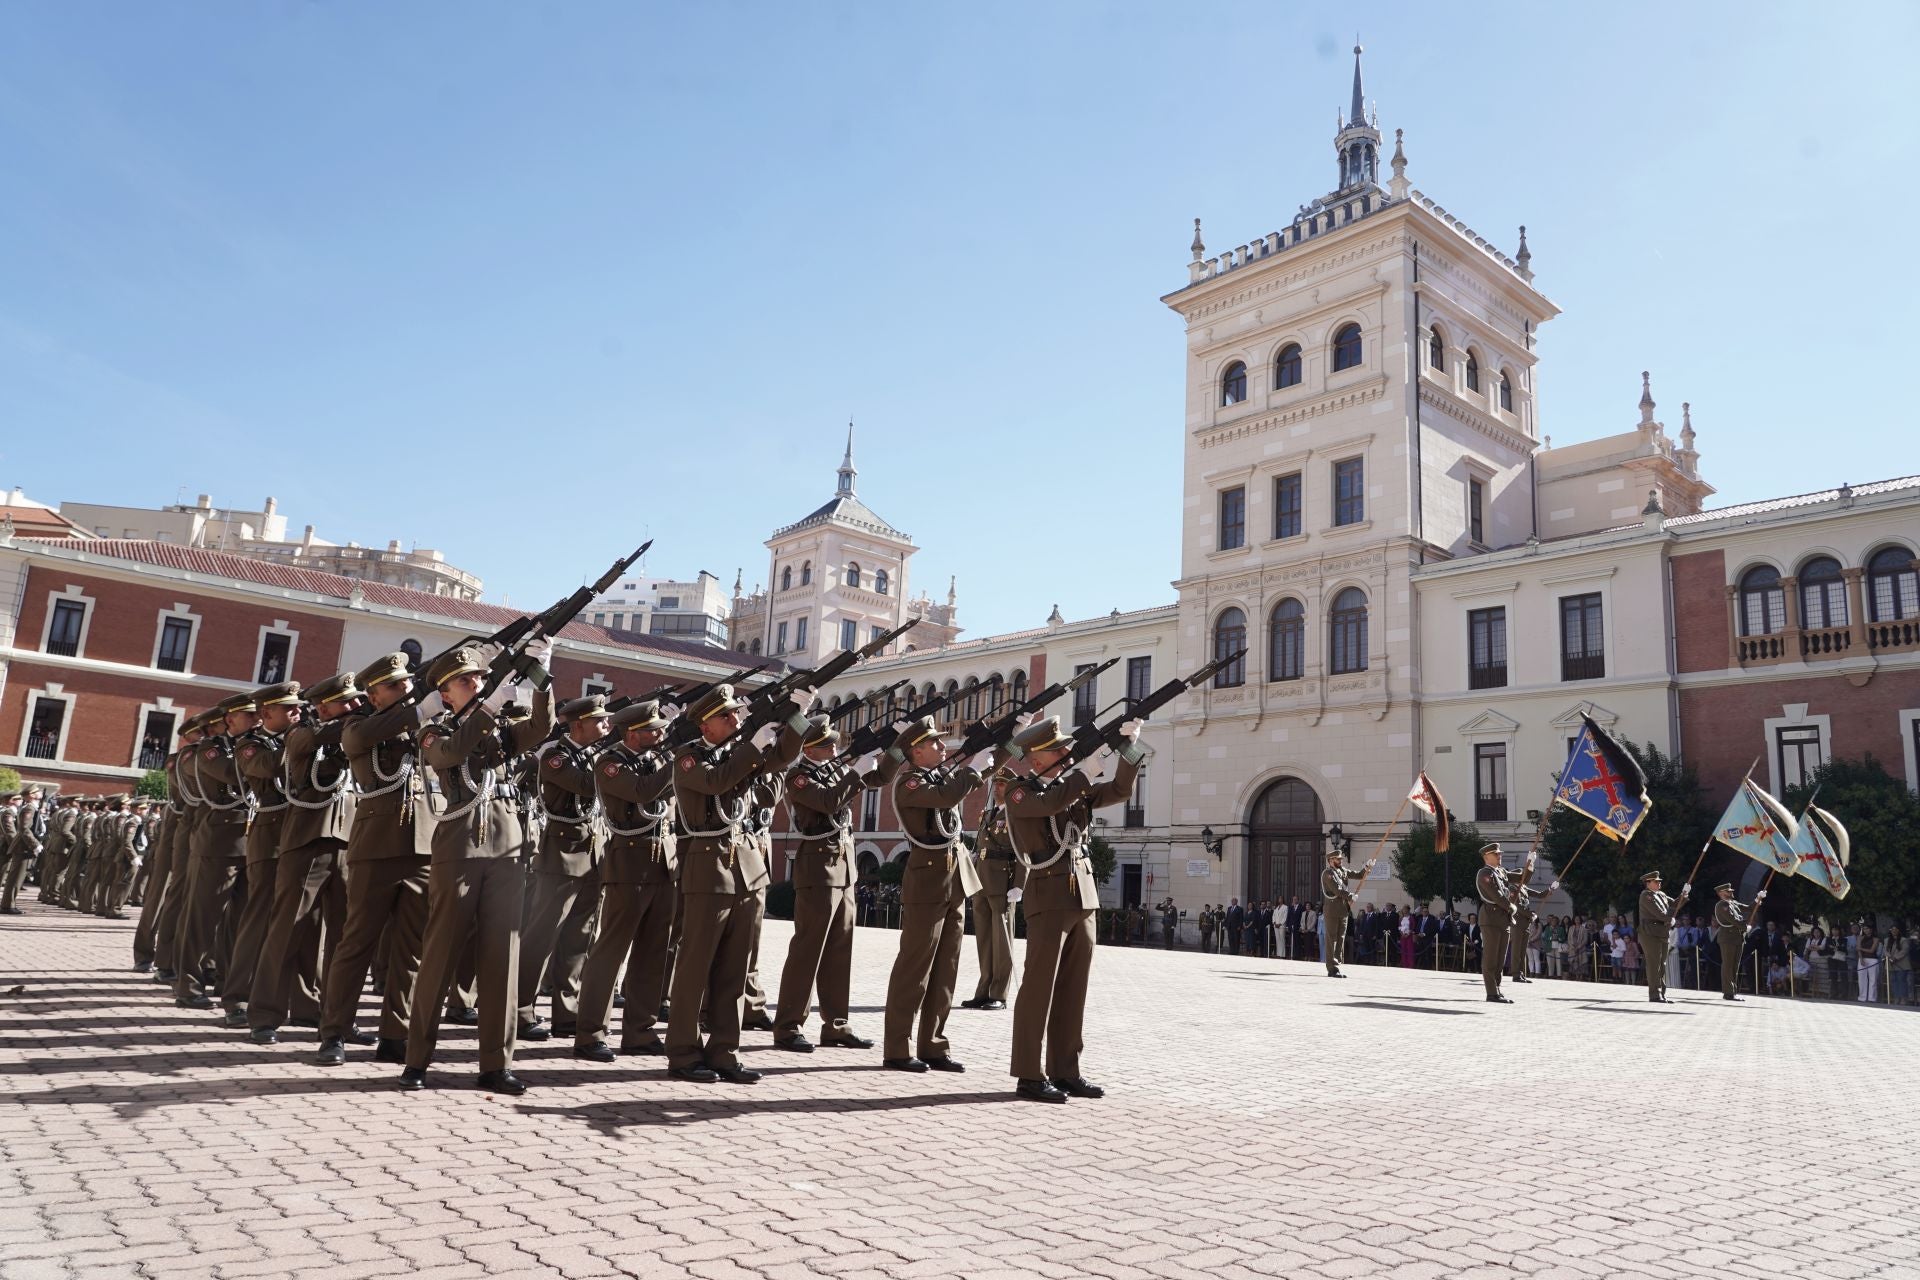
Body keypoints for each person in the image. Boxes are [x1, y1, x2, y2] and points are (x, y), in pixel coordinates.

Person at [401, 641, 554, 1094]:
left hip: (507, 848)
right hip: (461, 845)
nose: (476, 683)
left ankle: (495, 1064)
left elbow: (542, 727)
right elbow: (449, 756)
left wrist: (542, 678)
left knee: (502, 958)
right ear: (445, 693)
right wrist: (488, 707)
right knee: (441, 953)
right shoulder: (434, 730)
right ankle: (416, 1060)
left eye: (479, 678)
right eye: (465, 681)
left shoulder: (500, 726)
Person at [667, 682, 812, 1084]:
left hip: (746, 867)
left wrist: (796, 718)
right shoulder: (689, 758)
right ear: (705, 725)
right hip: (708, 866)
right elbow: (716, 783)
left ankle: (724, 1051)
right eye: (726, 716)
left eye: (735, 714)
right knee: (695, 967)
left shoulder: (738, 754)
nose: (735, 719)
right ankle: (683, 1053)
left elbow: (781, 759)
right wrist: (753, 745)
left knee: (735, 968)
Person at [1002, 713, 1143, 1103]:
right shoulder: (1019, 791)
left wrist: (1129, 749)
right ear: (1036, 759)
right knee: (1039, 988)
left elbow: (1119, 790)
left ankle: (1066, 1070)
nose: (1067, 752)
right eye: (1058, 750)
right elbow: (1049, 803)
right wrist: (1084, 772)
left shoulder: (1072, 786)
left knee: (1073, 989)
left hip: (1083, 893)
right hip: (1049, 895)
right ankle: (1029, 1073)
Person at [315, 653, 437, 1067]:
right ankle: (334, 1031)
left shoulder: (426, 722)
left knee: (411, 950)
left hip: (422, 846)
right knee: (357, 943)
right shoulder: (356, 726)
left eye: (406, 683)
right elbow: (362, 739)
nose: (405, 689)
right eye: (394, 686)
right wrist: (419, 711)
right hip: (375, 847)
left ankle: (395, 1035)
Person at [249, 672, 359, 1045]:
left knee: (343, 938)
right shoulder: (301, 734)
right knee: (287, 929)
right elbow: (326, 737)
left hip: (348, 840)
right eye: (347, 702)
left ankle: (336, 1018)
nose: (356, 706)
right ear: (324, 708)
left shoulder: (352, 732)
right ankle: (265, 1014)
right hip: (308, 840)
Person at [881, 715, 992, 1073]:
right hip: (928, 881)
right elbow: (950, 794)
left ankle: (933, 1045)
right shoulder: (910, 783)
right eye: (934, 743)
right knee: (915, 968)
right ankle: (897, 1048)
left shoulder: (939, 777)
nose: (943, 746)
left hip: (955, 879)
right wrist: (973, 766)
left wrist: (1007, 741)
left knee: (946, 969)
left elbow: (981, 773)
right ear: (916, 751)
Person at [575, 700, 679, 1060]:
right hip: (630, 863)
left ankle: (640, 1031)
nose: (661, 735)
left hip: (663, 863)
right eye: (653, 730)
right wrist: (676, 761)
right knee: (611, 952)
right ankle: (590, 1033)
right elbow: (642, 792)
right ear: (633, 733)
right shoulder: (610, 763)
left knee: (653, 953)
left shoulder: (657, 760)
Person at [772, 715, 880, 1051]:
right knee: (808, 950)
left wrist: (890, 750)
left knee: (839, 951)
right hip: (819, 867)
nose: (834, 748)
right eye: (826, 744)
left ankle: (836, 1025)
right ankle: (789, 1025)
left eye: (834, 742)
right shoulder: (799, 776)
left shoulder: (834, 771)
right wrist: (855, 772)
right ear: (808, 749)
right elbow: (828, 801)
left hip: (845, 867)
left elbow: (881, 776)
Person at [518, 695, 612, 1042]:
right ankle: (519, 1009)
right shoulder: (555, 756)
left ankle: (567, 1014)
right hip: (561, 854)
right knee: (542, 937)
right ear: (578, 725)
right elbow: (588, 785)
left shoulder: (593, 755)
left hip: (592, 854)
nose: (607, 724)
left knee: (579, 939)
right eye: (599, 720)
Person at [174, 693, 260, 1015]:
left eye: (258, 715)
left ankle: (228, 982)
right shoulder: (209, 750)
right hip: (220, 841)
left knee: (240, 922)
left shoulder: (258, 745)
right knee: (203, 918)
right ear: (230, 720)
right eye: (250, 716)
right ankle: (188, 985)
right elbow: (235, 775)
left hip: (254, 840)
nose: (257, 720)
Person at [224, 681, 303, 1029]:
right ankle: (237, 997)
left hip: (300, 832)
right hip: (269, 836)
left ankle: (295, 999)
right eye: (290, 708)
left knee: (296, 919)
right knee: (257, 918)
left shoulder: (298, 736)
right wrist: (297, 738)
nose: (298, 713)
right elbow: (269, 767)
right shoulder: (249, 745)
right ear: (268, 713)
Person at [1318, 847, 1372, 977]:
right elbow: (1336, 890)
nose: (1340, 861)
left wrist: (1367, 867)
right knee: (1332, 938)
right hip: (1332, 910)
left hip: (1343, 909)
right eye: (1338, 859)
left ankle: (1337, 964)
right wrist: (1350, 896)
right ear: (1331, 860)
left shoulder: (1342, 871)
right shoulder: (1327, 874)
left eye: (1341, 859)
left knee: (1341, 937)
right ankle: (1331, 968)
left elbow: (1359, 875)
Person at [1636, 871, 1687, 1003]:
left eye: (1659, 881)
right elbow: (1657, 912)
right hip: (1650, 933)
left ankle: (1661, 993)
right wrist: (1669, 919)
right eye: (1656, 881)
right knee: (1654, 964)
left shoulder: (1661, 894)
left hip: (1662, 931)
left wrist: (1683, 895)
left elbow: (1674, 905)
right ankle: (1655, 995)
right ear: (1648, 883)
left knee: (1662, 964)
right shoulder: (1646, 895)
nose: (1659, 883)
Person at [1711, 883, 1762, 1001]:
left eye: (1730, 891)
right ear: (1721, 893)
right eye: (1728, 891)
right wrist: (1745, 927)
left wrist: (1758, 898)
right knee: (1728, 965)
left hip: (1737, 938)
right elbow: (1732, 919)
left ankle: (1732, 991)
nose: (1731, 893)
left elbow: (1749, 908)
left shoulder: (1732, 903)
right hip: (1728, 938)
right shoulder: (1722, 905)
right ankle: (1728, 992)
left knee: (1735, 965)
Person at [1475, 844, 1512, 1003]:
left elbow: (1522, 877)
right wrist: (1510, 906)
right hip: (1490, 917)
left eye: (1499, 854)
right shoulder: (1484, 873)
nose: (1499, 856)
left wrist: (1530, 863)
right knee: (1490, 959)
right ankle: (1491, 993)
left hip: (1503, 919)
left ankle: (1497, 989)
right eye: (1496, 854)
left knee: (1500, 959)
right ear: (1486, 857)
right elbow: (1495, 895)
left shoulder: (1501, 872)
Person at [1857, 924, 1882, 1003]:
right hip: (1862, 959)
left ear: (1871, 929)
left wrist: (1861, 948)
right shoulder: (1860, 937)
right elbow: (1858, 949)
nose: (1866, 930)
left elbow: (1872, 950)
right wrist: (1861, 958)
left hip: (1873, 959)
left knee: (1873, 979)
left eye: (1867, 928)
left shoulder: (1876, 939)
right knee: (1861, 979)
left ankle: (1872, 998)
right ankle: (1862, 997)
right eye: (1864, 929)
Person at [1888, 926, 1912, 1006]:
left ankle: (1903, 998)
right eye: (1892, 929)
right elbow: (1885, 950)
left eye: (1895, 929)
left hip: (1901, 964)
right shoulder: (1887, 940)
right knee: (1893, 982)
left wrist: (1895, 958)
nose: (1893, 931)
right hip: (1891, 964)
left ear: (1899, 930)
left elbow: (1904, 951)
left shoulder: (1904, 940)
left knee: (1901, 981)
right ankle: (1896, 997)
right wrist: (1889, 957)